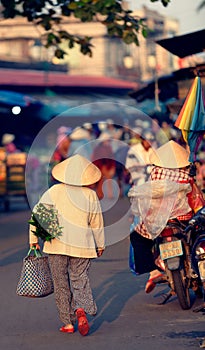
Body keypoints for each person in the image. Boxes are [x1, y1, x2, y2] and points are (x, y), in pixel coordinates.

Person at [29, 154, 105, 336]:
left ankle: (68, 323)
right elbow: (97, 222)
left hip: (56, 246)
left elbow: (37, 216)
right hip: (83, 246)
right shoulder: (90, 195)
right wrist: (100, 244)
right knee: (80, 279)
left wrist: (33, 240)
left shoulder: (53, 192)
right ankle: (80, 309)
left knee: (61, 284)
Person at [128, 140, 205, 293]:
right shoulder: (186, 175)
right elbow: (197, 201)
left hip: (159, 220)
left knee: (137, 237)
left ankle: (152, 270)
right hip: (183, 220)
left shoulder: (156, 174)